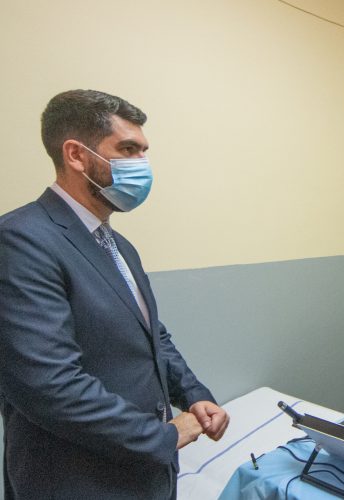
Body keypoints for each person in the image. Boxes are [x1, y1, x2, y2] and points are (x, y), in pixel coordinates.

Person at [0, 89, 230, 499]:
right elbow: (47, 384)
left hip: (143, 473)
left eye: (143, 151)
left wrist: (193, 394)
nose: (141, 164)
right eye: (127, 150)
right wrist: (161, 436)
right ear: (76, 155)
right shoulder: (21, 240)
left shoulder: (119, 246)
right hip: (77, 479)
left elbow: (152, 336)